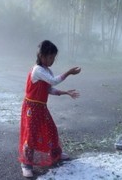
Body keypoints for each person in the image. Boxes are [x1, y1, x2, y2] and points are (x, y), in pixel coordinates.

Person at [18, 40, 81, 178]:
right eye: (50, 57)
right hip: (31, 107)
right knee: (31, 135)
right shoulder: (37, 70)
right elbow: (53, 81)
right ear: (41, 56)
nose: (52, 60)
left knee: (51, 129)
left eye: (54, 57)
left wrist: (65, 93)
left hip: (41, 106)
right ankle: (26, 164)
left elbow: (50, 88)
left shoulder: (47, 70)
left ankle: (55, 154)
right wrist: (69, 72)